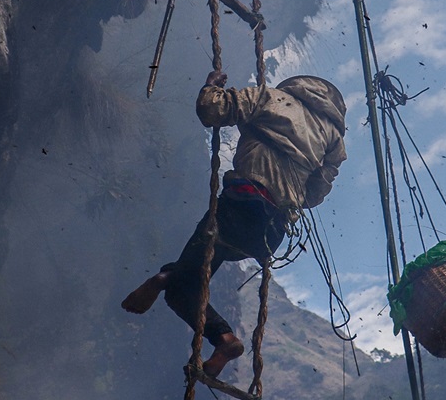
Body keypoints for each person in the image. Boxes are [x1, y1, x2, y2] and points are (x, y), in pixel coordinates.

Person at [122, 70, 347, 378]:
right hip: (271, 234)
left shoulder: (272, 98)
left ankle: (165, 276)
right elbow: (314, 195)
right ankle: (224, 339)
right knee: (185, 290)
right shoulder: (333, 140)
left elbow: (212, 110)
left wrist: (211, 87)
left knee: (181, 284)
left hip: (240, 206)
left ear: (297, 86)